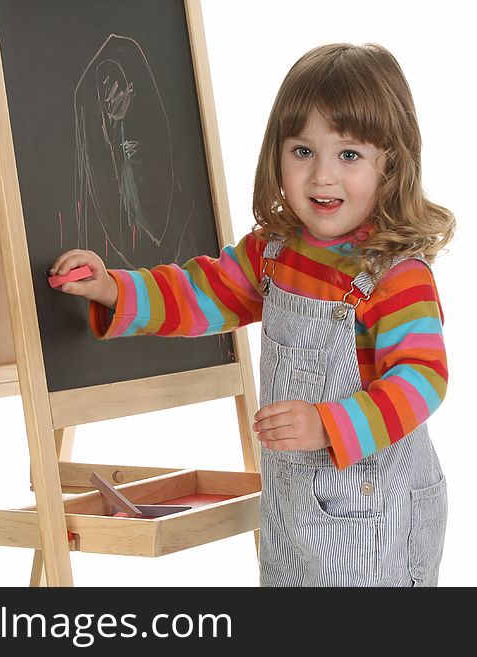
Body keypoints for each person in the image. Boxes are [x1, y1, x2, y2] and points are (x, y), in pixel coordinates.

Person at [49, 43, 455, 587]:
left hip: (374, 517)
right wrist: (111, 289)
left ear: (393, 163)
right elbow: (200, 294)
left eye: (350, 155)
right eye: (303, 151)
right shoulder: (274, 253)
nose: (322, 178)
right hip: (291, 511)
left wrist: (329, 425)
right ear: (276, 155)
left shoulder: (396, 274)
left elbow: (422, 378)